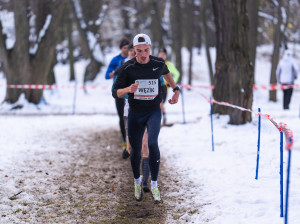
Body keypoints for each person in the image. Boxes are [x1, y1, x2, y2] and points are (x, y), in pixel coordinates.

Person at [112, 33, 180, 202]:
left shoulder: (158, 63)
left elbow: (167, 73)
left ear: (150, 49)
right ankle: (137, 182)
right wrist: (128, 89)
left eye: (146, 50)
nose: (143, 54)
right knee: (134, 151)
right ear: (133, 50)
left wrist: (176, 90)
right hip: (136, 112)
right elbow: (115, 92)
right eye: (139, 51)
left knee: (151, 143)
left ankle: (155, 184)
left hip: (153, 111)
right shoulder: (128, 68)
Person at [119, 43, 151, 193]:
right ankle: (137, 175)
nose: (136, 54)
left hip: (147, 111)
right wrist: (130, 92)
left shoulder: (150, 65)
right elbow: (117, 89)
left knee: (146, 145)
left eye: (138, 51)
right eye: (133, 52)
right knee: (132, 147)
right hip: (129, 111)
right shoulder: (126, 67)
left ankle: (145, 181)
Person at [105, 38, 130, 151]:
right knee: (122, 117)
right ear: (121, 49)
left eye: (128, 48)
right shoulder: (116, 60)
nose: (126, 50)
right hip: (119, 91)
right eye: (124, 48)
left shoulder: (134, 58)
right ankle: (125, 140)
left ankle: (132, 140)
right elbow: (106, 75)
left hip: (131, 92)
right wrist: (116, 72)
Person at [157, 48, 180, 125]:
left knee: (160, 103)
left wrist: (171, 84)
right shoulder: (155, 63)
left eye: (163, 55)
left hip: (164, 88)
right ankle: (161, 116)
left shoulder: (169, 65)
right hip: (155, 88)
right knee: (158, 104)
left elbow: (177, 74)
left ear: (165, 56)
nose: (161, 56)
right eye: (160, 54)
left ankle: (163, 116)